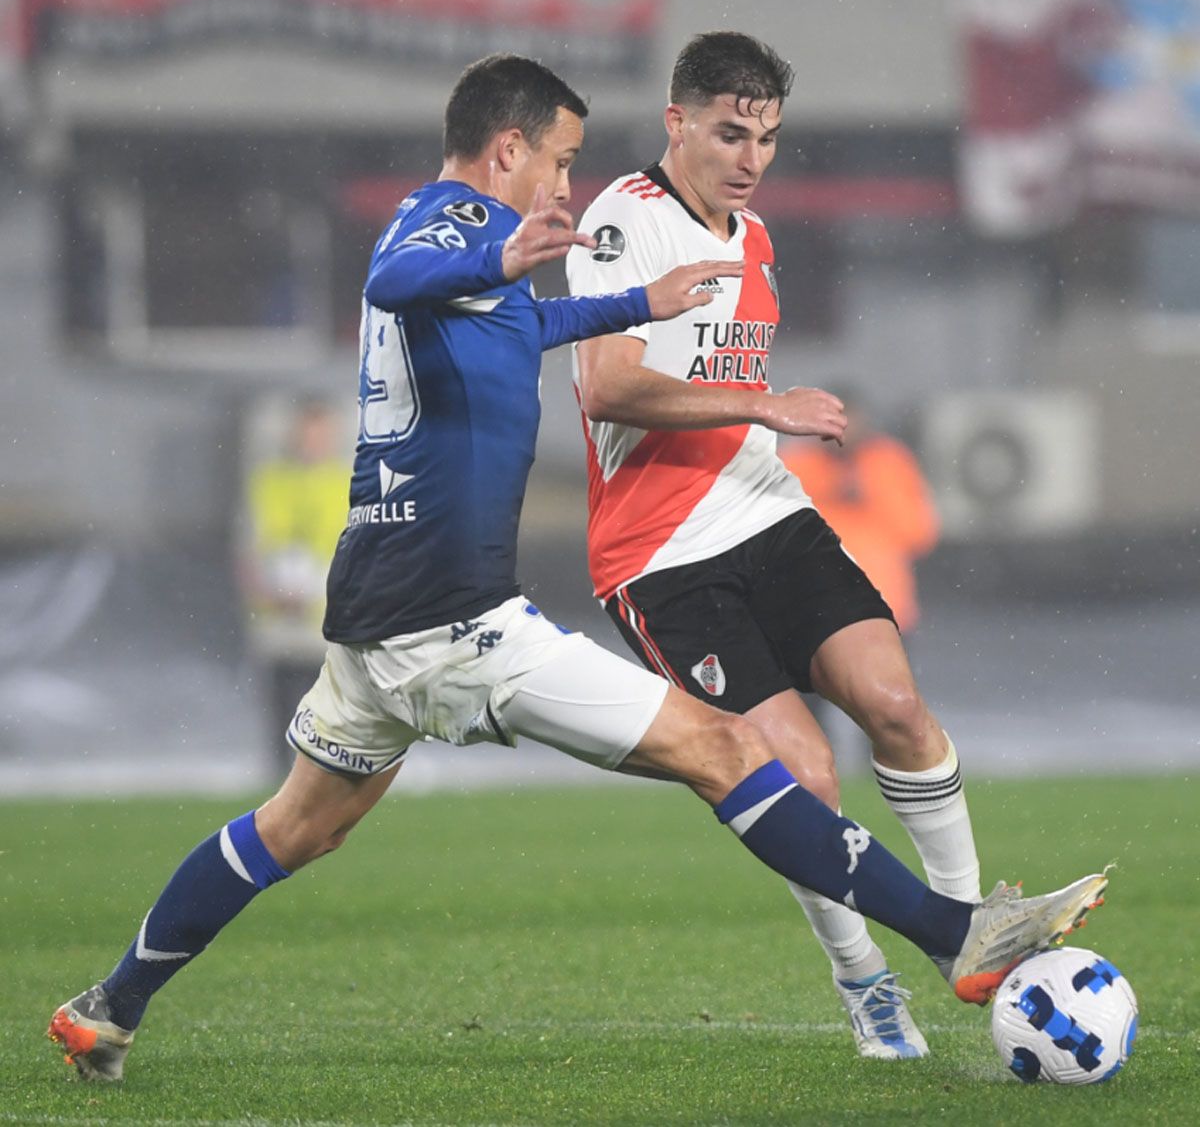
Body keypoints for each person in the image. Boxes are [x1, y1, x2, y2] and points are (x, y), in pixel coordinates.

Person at [48, 53, 1108, 1083]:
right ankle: (952, 934)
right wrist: (503, 258)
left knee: (296, 824)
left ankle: (110, 1004)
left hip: (376, 618)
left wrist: (636, 304)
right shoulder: (451, 226)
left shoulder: (464, 246)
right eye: (557, 160)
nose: (564, 185)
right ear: (507, 147)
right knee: (733, 750)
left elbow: (530, 321)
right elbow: (396, 277)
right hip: (458, 624)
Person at [566, 32, 982, 1060]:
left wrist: (760, 418)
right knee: (801, 774)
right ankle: (864, 978)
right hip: (661, 555)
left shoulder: (752, 236)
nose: (751, 157)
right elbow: (605, 385)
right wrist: (765, 404)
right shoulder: (624, 219)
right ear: (676, 122)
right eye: (729, 133)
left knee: (896, 706)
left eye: (768, 138)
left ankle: (973, 932)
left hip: (768, 514)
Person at [240, 396, 349, 775]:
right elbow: (248, 545)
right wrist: (267, 592)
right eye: (308, 434)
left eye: (321, 434)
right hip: (278, 617)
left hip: (328, 620)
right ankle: (282, 779)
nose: (314, 442)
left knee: (330, 710)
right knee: (282, 708)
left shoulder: (349, 483)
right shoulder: (271, 482)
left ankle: (326, 776)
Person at [779, 388, 940, 636]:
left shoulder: (889, 463)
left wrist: (871, 495)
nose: (844, 429)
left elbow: (920, 534)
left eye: (849, 419)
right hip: (811, 610)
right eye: (833, 420)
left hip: (883, 610)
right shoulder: (796, 463)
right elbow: (776, 537)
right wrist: (827, 491)